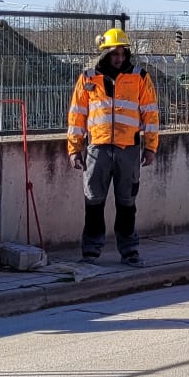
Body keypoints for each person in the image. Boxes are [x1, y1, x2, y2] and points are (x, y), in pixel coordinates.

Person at [65, 27, 161, 263]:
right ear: (104, 53)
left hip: (128, 149)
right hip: (97, 149)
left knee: (127, 204)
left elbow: (150, 114)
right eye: (114, 53)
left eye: (123, 53)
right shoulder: (88, 77)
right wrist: (74, 149)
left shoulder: (139, 77)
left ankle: (129, 250)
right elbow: (77, 115)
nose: (119, 58)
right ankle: (91, 251)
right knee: (94, 202)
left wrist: (150, 147)